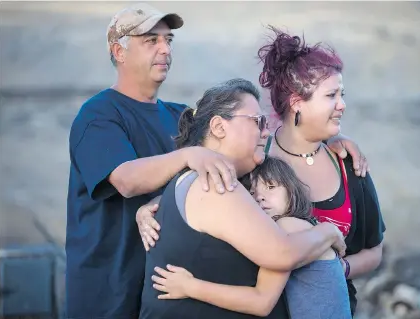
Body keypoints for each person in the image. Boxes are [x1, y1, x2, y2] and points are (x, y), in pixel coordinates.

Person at [65, 2, 370, 318]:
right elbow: (126, 180)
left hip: (163, 281)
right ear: (119, 51)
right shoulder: (98, 116)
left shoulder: (177, 116)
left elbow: (246, 153)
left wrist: (323, 141)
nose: (165, 49)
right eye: (150, 40)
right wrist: (188, 156)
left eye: (168, 40)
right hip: (110, 290)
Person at [139, 78, 350, 318]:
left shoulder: (198, 181)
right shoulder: (217, 184)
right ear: (219, 127)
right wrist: (328, 232)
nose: (266, 131)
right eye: (258, 122)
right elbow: (281, 254)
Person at [256, 26, 386, 316]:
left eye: (342, 94)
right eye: (331, 95)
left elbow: (375, 251)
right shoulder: (256, 161)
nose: (342, 105)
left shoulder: (349, 165)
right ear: (296, 102)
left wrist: (341, 267)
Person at [151, 156, 352, 318]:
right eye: (253, 192)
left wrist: (189, 287)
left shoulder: (287, 226)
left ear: (292, 191)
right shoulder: (307, 228)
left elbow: (261, 302)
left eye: (271, 187)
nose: (260, 197)